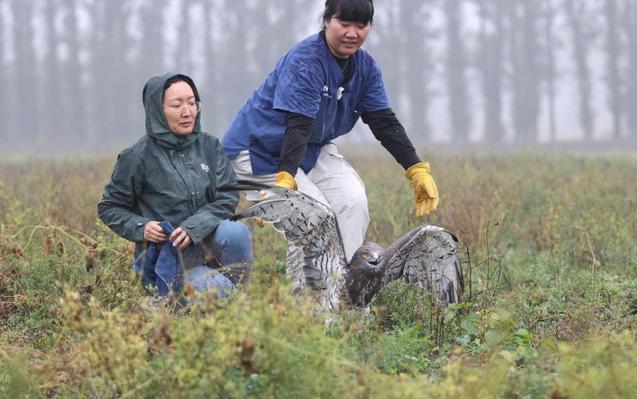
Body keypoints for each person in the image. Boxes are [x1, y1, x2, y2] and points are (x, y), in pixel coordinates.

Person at [221, 0, 439, 286]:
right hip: (259, 151)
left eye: (361, 25)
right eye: (344, 23)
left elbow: (383, 121)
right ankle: (309, 306)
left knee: (353, 201)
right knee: (315, 217)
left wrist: (415, 168)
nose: (352, 33)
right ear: (326, 21)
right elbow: (297, 125)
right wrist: (284, 183)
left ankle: (346, 296)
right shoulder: (306, 60)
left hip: (309, 148)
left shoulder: (366, 68)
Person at [98, 72, 252, 299]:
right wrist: (142, 227)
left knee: (237, 232)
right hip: (168, 259)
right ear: (157, 111)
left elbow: (227, 196)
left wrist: (194, 228)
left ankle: (234, 302)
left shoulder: (209, 146)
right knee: (219, 289)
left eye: (192, 103)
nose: (187, 111)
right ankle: (168, 299)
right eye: (176, 105)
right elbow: (109, 208)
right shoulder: (136, 157)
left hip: (207, 245)